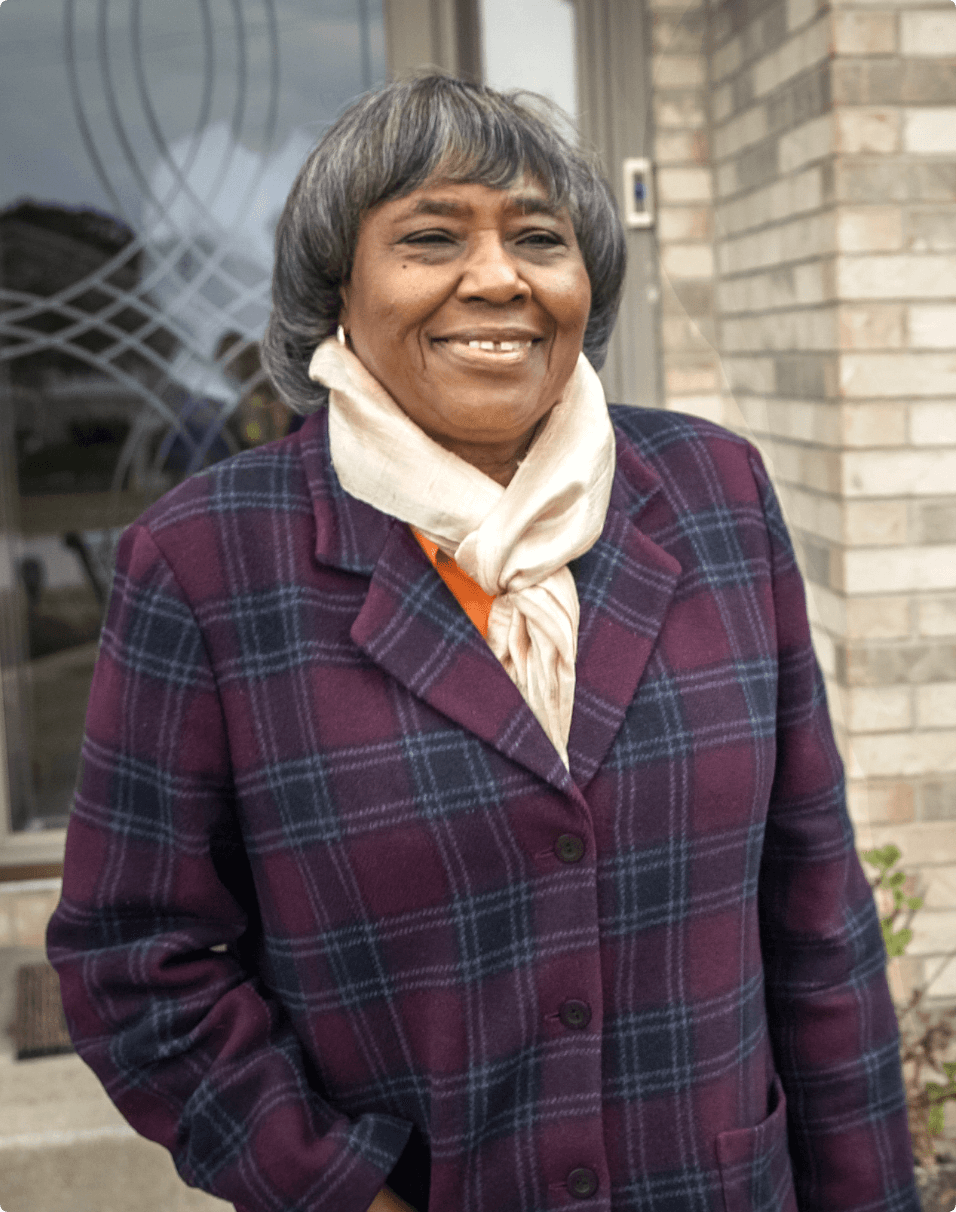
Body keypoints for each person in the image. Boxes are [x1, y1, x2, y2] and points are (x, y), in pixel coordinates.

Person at [48, 75, 919, 1212]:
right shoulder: (209, 559)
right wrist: (337, 1191)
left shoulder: (713, 494)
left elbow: (813, 910)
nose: (499, 276)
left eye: (538, 238)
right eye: (429, 236)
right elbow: (134, 964)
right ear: (337, 291)